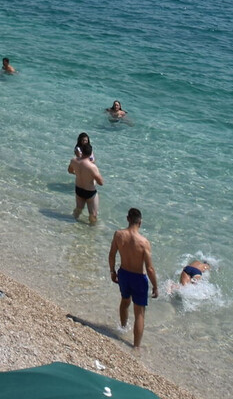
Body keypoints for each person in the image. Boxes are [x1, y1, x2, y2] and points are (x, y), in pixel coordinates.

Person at [109, 208, 159, 348]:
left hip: (124, 274)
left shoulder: (118, 235)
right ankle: (136, 347)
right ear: (140, 222)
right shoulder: (144, 242)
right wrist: (155, 286)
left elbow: (112, 254)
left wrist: (112, 271)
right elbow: (149, 268)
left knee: (125, 301)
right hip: (138, 278)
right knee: (139, 313)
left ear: (127, 219)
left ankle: (123, 328)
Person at [69, 138, 104, 222]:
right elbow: (101, 182)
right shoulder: (92, 167)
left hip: (78, 189)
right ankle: (91, 229)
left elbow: (70, 171)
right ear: (90, 154)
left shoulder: (74, 160)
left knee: (78, 209)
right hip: (90, 191)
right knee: (93, 214)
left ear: (82, 151)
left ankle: (71, 222)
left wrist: (79, 174)